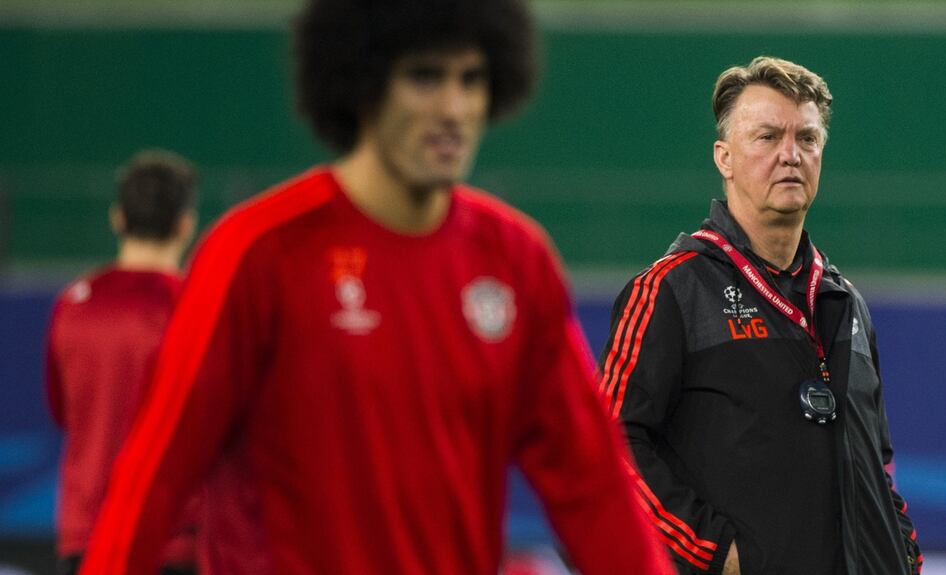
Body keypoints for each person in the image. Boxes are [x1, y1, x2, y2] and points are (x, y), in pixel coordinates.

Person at [80, 1, 669, 574]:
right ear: (361, 83)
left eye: (472, 80)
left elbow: (591, 486)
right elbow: (153, 480)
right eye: (424, 77)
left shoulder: (517, 260)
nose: (454, 108)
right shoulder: (256, 253)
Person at [599, 56, 923, 575]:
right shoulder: (672, 290)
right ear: (724, 158)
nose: (791, 155)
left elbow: (878, 464)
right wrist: (717, 554)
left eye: (808, 139)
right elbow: (609, 443)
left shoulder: (845, 302)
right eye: (768, 137)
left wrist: (904, 556)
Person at [45, 150, 199, 575]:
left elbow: (64, 413)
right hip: (171, 542)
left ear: (117, 219)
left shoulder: (72, 305)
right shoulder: (196, 309)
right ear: (184, 224)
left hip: (87, 539)